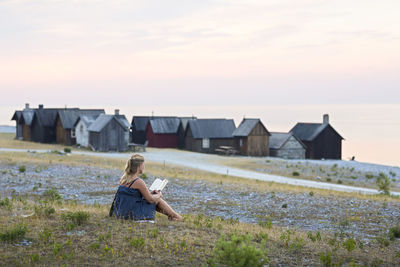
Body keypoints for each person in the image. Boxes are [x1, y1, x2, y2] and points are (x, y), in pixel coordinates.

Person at [111, 154, 182, 221]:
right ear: (139, 166)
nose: (144, 166)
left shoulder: (124, 179)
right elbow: (150, 200)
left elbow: (132, 196)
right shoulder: (138, 181)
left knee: (154, 198)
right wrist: (159, 195)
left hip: (122, 212)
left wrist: (150, 193)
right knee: (157, 199)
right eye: (143, 164)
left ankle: (172, 216)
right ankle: (175, 216)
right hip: (133, 214)